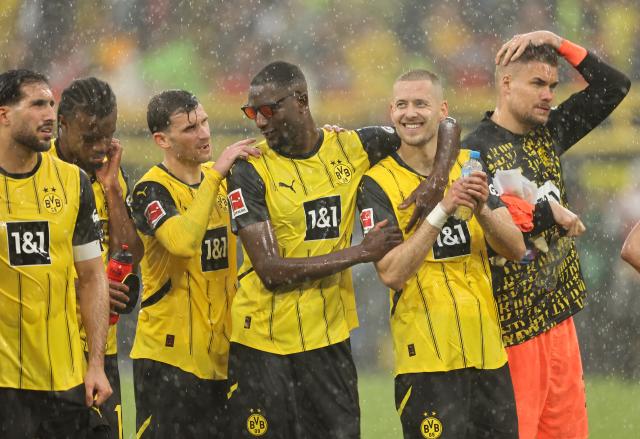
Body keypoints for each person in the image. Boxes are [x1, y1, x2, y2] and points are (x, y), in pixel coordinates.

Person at [225, 61, 457, 439]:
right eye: (253, 113)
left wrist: (437, 179)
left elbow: (446, 125)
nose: (261, 122)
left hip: (329, 343)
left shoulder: (352, 146)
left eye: (269, 109)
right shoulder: (249, 170)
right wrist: (360, 252)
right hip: (263, 345)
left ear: (301, 102)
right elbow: (270, 270)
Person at [462, 30, 631, 439]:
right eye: (537, 83)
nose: (548, 95)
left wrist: (557, 42)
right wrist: (545, 213)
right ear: (506, 84)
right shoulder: (473, 152)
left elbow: (615, 86)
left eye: (553, 86)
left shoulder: (550, 131)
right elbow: (493, 227)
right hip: (511, 328)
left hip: (560, 318)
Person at [357, 69, 525, 438]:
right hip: (426, 362)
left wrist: (481, 208)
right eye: (401, 105)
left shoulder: (470, 164)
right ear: (390, 112)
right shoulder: (376, 183)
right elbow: (391, 273)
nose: (410, 113)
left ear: (442, 110)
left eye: (421, 103)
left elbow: (516, 248)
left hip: (488, 355)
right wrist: (443, 208)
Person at [129, 89, 259, 438]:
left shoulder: (222, 182)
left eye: (204, 122)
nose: (204, 133)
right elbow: (182, 243)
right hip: (168, 361)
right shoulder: (149, 190)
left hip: (223, 356)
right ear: (162, 140)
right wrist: (215, 175)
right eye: (190, 128)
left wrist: (326, 138)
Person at [0, 69, 112, 437]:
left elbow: (92, 277)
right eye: (37, 104)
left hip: (64, 380)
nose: (49, 114)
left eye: (51, 104)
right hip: (5, 384)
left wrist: (96, 364)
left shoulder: (73, 182)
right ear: (4, 114)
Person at [51, 76, 143, 439]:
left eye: (109, 135)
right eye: (90, 137)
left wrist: (112, 189)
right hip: (51, 349)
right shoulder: (39, 173)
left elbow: (131, 253)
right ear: (63, 125)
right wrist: (88, 288)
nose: (101, 147)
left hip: (101, 350)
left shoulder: (109, 176)